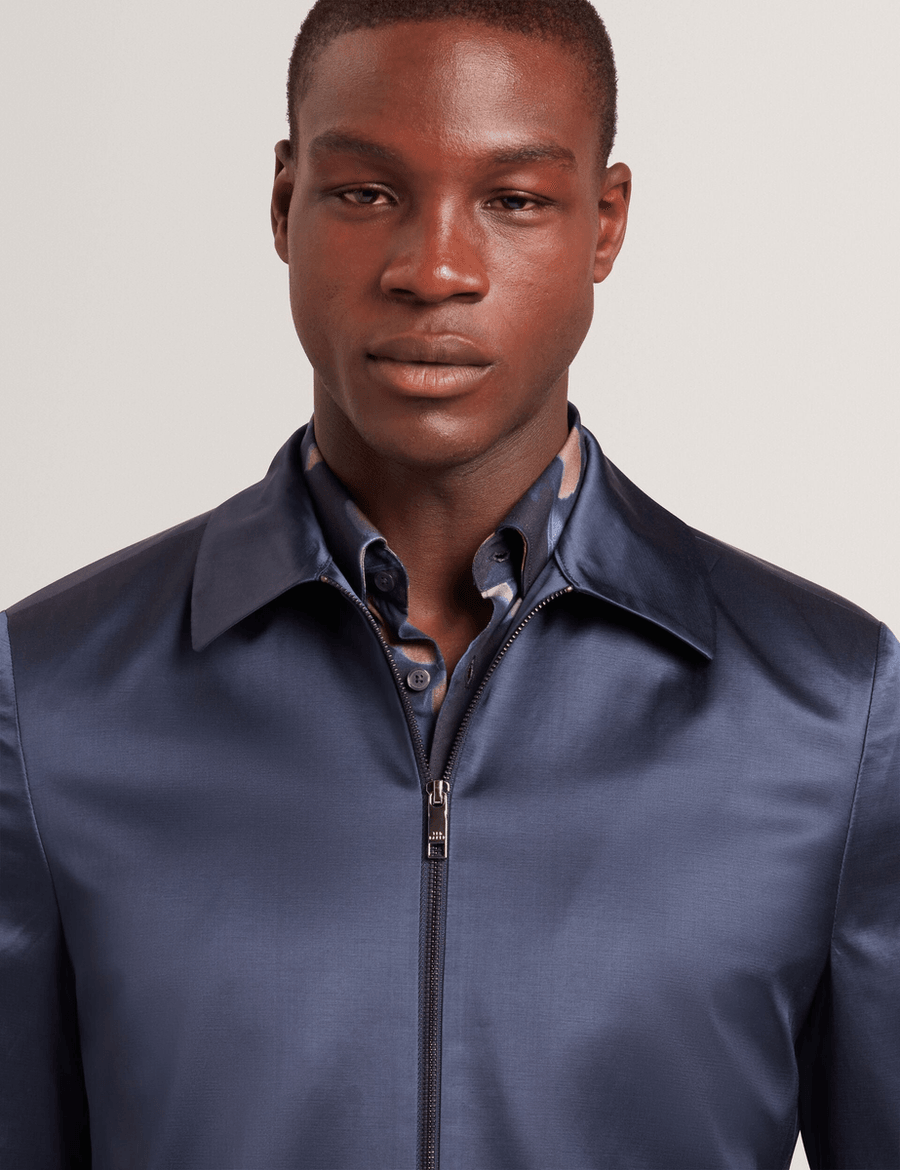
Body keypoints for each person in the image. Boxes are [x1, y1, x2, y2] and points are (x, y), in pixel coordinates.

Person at [1, 0, 897, 1166]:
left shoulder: (832, 713)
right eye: (366, 193)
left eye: (513, 200)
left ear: (605, 224)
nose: (433, 270)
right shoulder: (49, 700)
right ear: (283, 203)